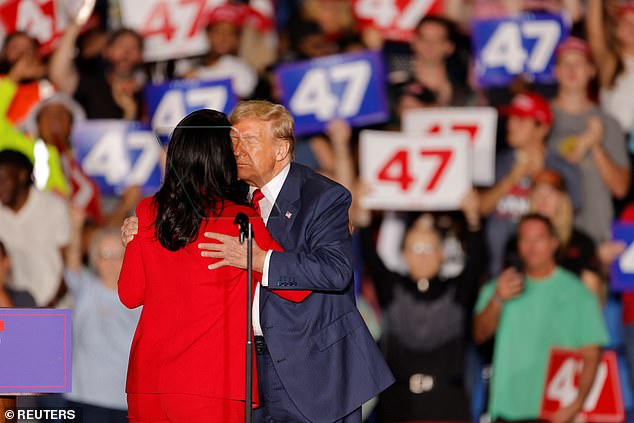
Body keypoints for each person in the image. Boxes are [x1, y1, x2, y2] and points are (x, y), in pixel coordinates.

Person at [122, 101, 394, 422]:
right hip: (244, 369)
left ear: (280, 150)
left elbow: (335, 272)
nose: (236, 150)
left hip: (311, 371)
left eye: (248, 140)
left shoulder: (322, 196)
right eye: (232, 141)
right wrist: (142, 234)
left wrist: (261, 259)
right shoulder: (228, 199)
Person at [118, 109, 301, 422]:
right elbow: (297, 290)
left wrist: (134, 245)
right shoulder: (242, 220)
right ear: (223, 158)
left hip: (148, 381)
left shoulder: (148, 211)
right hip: (214, 385)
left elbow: (130, 294)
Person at [355, 192, 486, 423]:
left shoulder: (457, 292)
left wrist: (473, 219)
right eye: (416, 249)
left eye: (429, 248)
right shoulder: (392, 289)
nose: (423, 257)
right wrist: (364, 214)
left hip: (446, 406)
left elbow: (476, 264)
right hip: (398, 407)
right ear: (404, 254)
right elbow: (370, 257)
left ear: (441, 254)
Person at [473, 214, 608, 423]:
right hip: (507, 412)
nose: (531, 246)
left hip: (555, 413)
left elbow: (592, 355)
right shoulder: (499, 288)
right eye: (525, 239)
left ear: (554, 243)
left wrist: (577, 403)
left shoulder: (579, 294)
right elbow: (479, 334)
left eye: (539, 238)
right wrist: (498, 299)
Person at [479, 92, 582, 275]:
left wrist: (538, 174)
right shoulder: (499, 163)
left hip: (547, 272)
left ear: (542, 128)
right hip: (498, 272)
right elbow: (482, 209)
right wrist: (512, 178)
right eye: (510, 119)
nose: (510, 125)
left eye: (520, 119)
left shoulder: (564, 169)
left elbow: (567, 221)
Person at [549, 36, 630, 244]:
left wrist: (595, 146)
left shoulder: (608, 124)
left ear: (592, 71)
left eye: (579, 63)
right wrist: (582, 143)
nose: (572, 69)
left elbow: (620, 188)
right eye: (565, 63)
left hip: (595, 239)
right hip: (548, 242)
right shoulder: (541, 118)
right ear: (555, 72)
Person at [64, 208, 140, 423]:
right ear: (94, 259)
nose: (111, 262)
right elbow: (72, 261)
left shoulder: (141, 297)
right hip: (86, 399)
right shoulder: (85, 289)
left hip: (126, 401)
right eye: (104, 255)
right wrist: (75, 227)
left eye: (117, 255)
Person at [0, 150, 70, 306]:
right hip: (13, 307)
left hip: (55, 304)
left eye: (4, 180)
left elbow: (68, 261)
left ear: (22, 176)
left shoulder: (53, 206)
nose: (0, 187)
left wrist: (49, 305)